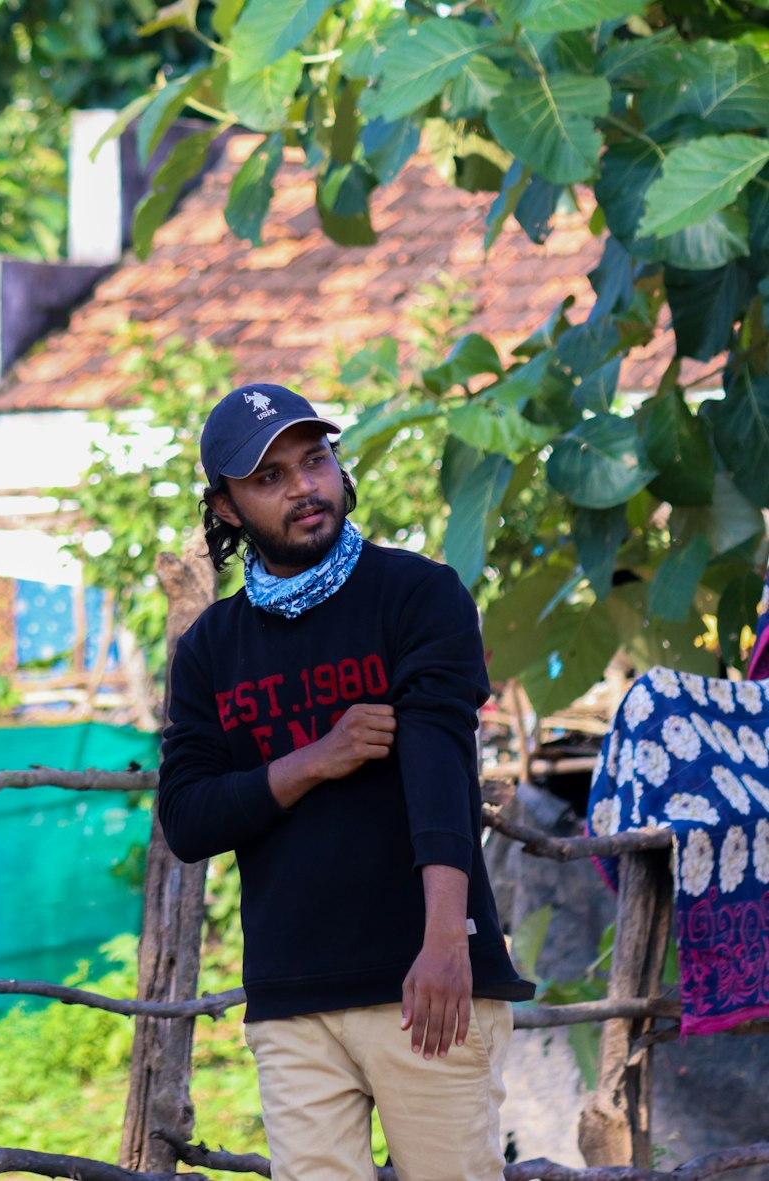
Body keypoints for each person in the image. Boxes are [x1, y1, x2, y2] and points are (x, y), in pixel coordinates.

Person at [158, 383, 534, 1181]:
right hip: (290, 994)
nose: (303, 486)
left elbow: (441, 765)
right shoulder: (211, 650)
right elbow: (187, 819)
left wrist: (446, 939)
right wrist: (312, 760)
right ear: (225, 508)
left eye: (315, 459)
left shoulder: (417, 595)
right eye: (270, 477)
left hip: (423, 979)